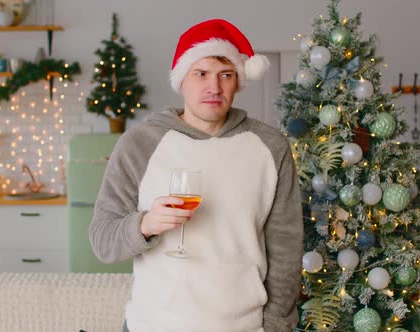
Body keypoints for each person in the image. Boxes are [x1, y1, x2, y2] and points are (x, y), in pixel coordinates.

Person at [90, 18, 303, 332]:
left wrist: (273, 326)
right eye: (201, 73)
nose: (214, 87)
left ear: (238, 81)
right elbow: (103, 240)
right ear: (181, 80)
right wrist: (145, 224)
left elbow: (286, 250)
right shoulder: (140, 143)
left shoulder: (271, 147)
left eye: (225, 75)